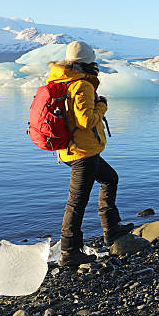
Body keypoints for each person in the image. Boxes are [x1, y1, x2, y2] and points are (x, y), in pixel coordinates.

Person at [46, 41, 133, 267]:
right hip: (83, 151)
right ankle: (70, 250)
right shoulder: (81, 84)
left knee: (110, 178)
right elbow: (86, 120)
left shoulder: (61, 80)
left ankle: (111, 229)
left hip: (70, 149)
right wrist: (102, 105)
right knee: (76, 202)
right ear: (87, 61)